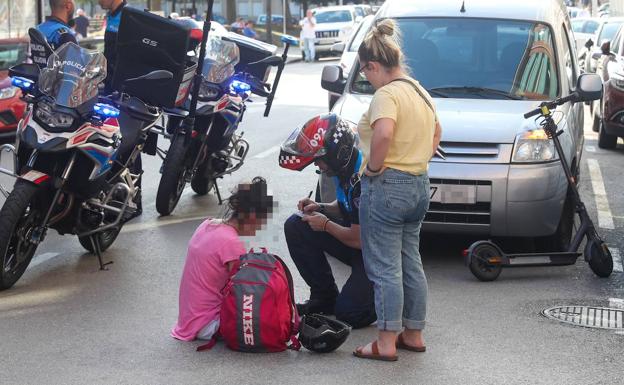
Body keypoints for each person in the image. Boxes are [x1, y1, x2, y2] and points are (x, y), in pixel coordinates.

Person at [353, 19, 442, 361]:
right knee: (410, 261)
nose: (367, 79)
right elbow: (437, 133)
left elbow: (384, 133)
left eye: (366, 72)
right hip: (419, 183)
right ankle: (414, 333)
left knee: (384, 267)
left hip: (387, 186)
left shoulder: (387, 94)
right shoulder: (420, 91)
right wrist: (417, 155)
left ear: (374, 65)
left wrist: (374, 168)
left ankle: (386, 342)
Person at [280, 114, 376, 329]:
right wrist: (321, 207)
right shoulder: (345, 167)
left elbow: (359, 239)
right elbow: (347, 208)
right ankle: (324, 297)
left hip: (375, 253)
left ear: (335, 154)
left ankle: (387, 294)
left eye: (320, 160)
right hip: (360, 242)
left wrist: (325, 224)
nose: (320, 166)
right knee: (296, 225)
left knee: (350, 314)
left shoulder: (362, 177)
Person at [171, 177, 273, 341]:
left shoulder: (207, 225)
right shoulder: (232, 244)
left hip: (189, 320)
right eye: (262, 220)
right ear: (252, 216)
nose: (261, 227)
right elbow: (245, 292)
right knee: (266, 320)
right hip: (208, 324)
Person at [98, 0, 144, 219]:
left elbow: (135, 56)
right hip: (110, 87)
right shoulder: (113, 15)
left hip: (127, 90)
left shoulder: (131, 16)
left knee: (129, 142)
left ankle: (134, 200)